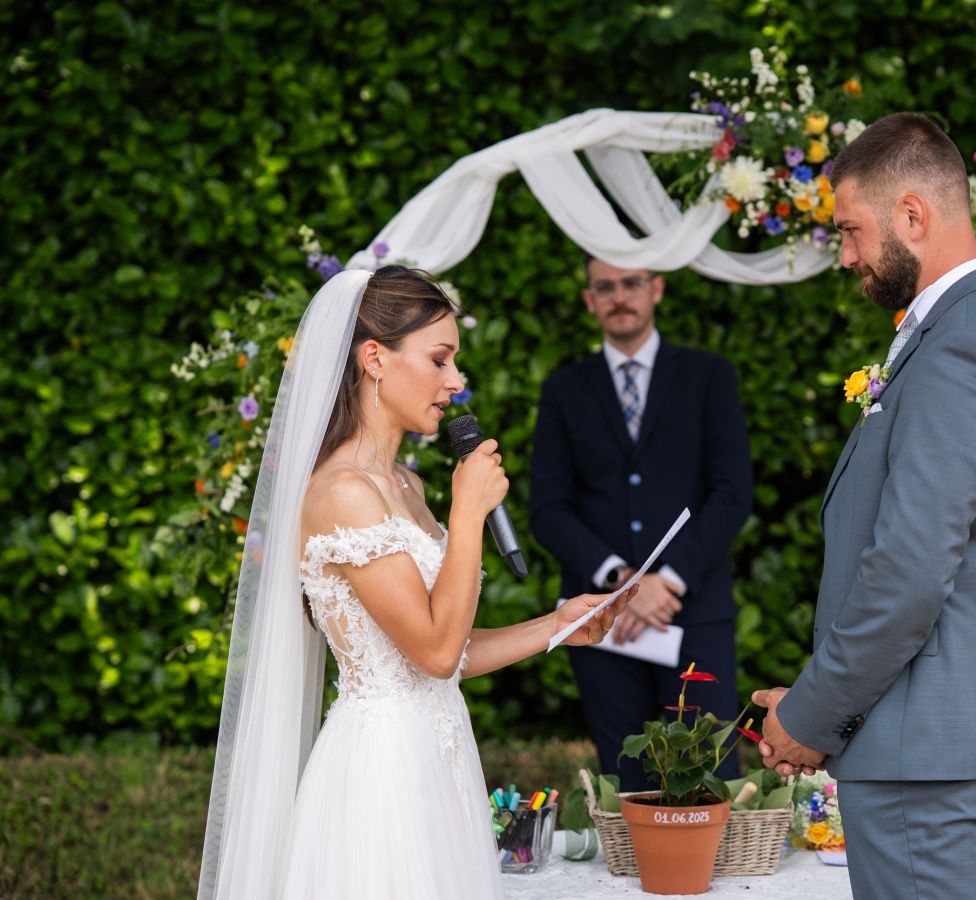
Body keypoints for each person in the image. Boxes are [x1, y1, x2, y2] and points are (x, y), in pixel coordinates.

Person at [198, 265, 634, 899]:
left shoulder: (408, 486)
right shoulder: (341, 493)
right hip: (381, 777)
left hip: (441, 759)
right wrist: (467, 514)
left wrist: (557, 626)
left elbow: (446, 651)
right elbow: (434, 653)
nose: (456, 381)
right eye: (439, 359)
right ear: (375, 358)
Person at [752, 113, 976, 900]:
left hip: (924, 757)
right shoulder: (963, 328)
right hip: (917, 745)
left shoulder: (963, 345)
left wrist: (810, 714)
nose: (846, 255)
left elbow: (910, 572)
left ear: (913, 214)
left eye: (851, 231)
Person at [529, 255, 753, 792]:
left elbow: (732, 494)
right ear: (589, 301)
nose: (619, 296)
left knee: (708, 774)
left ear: (656, 289)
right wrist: (623, 584)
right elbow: (548, 509)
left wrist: (666, 581)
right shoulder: (563, 391)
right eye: (604, 287)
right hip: (603, 619)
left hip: (693, 611)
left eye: (631, 283)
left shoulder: (708, 376)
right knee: (626, 776)